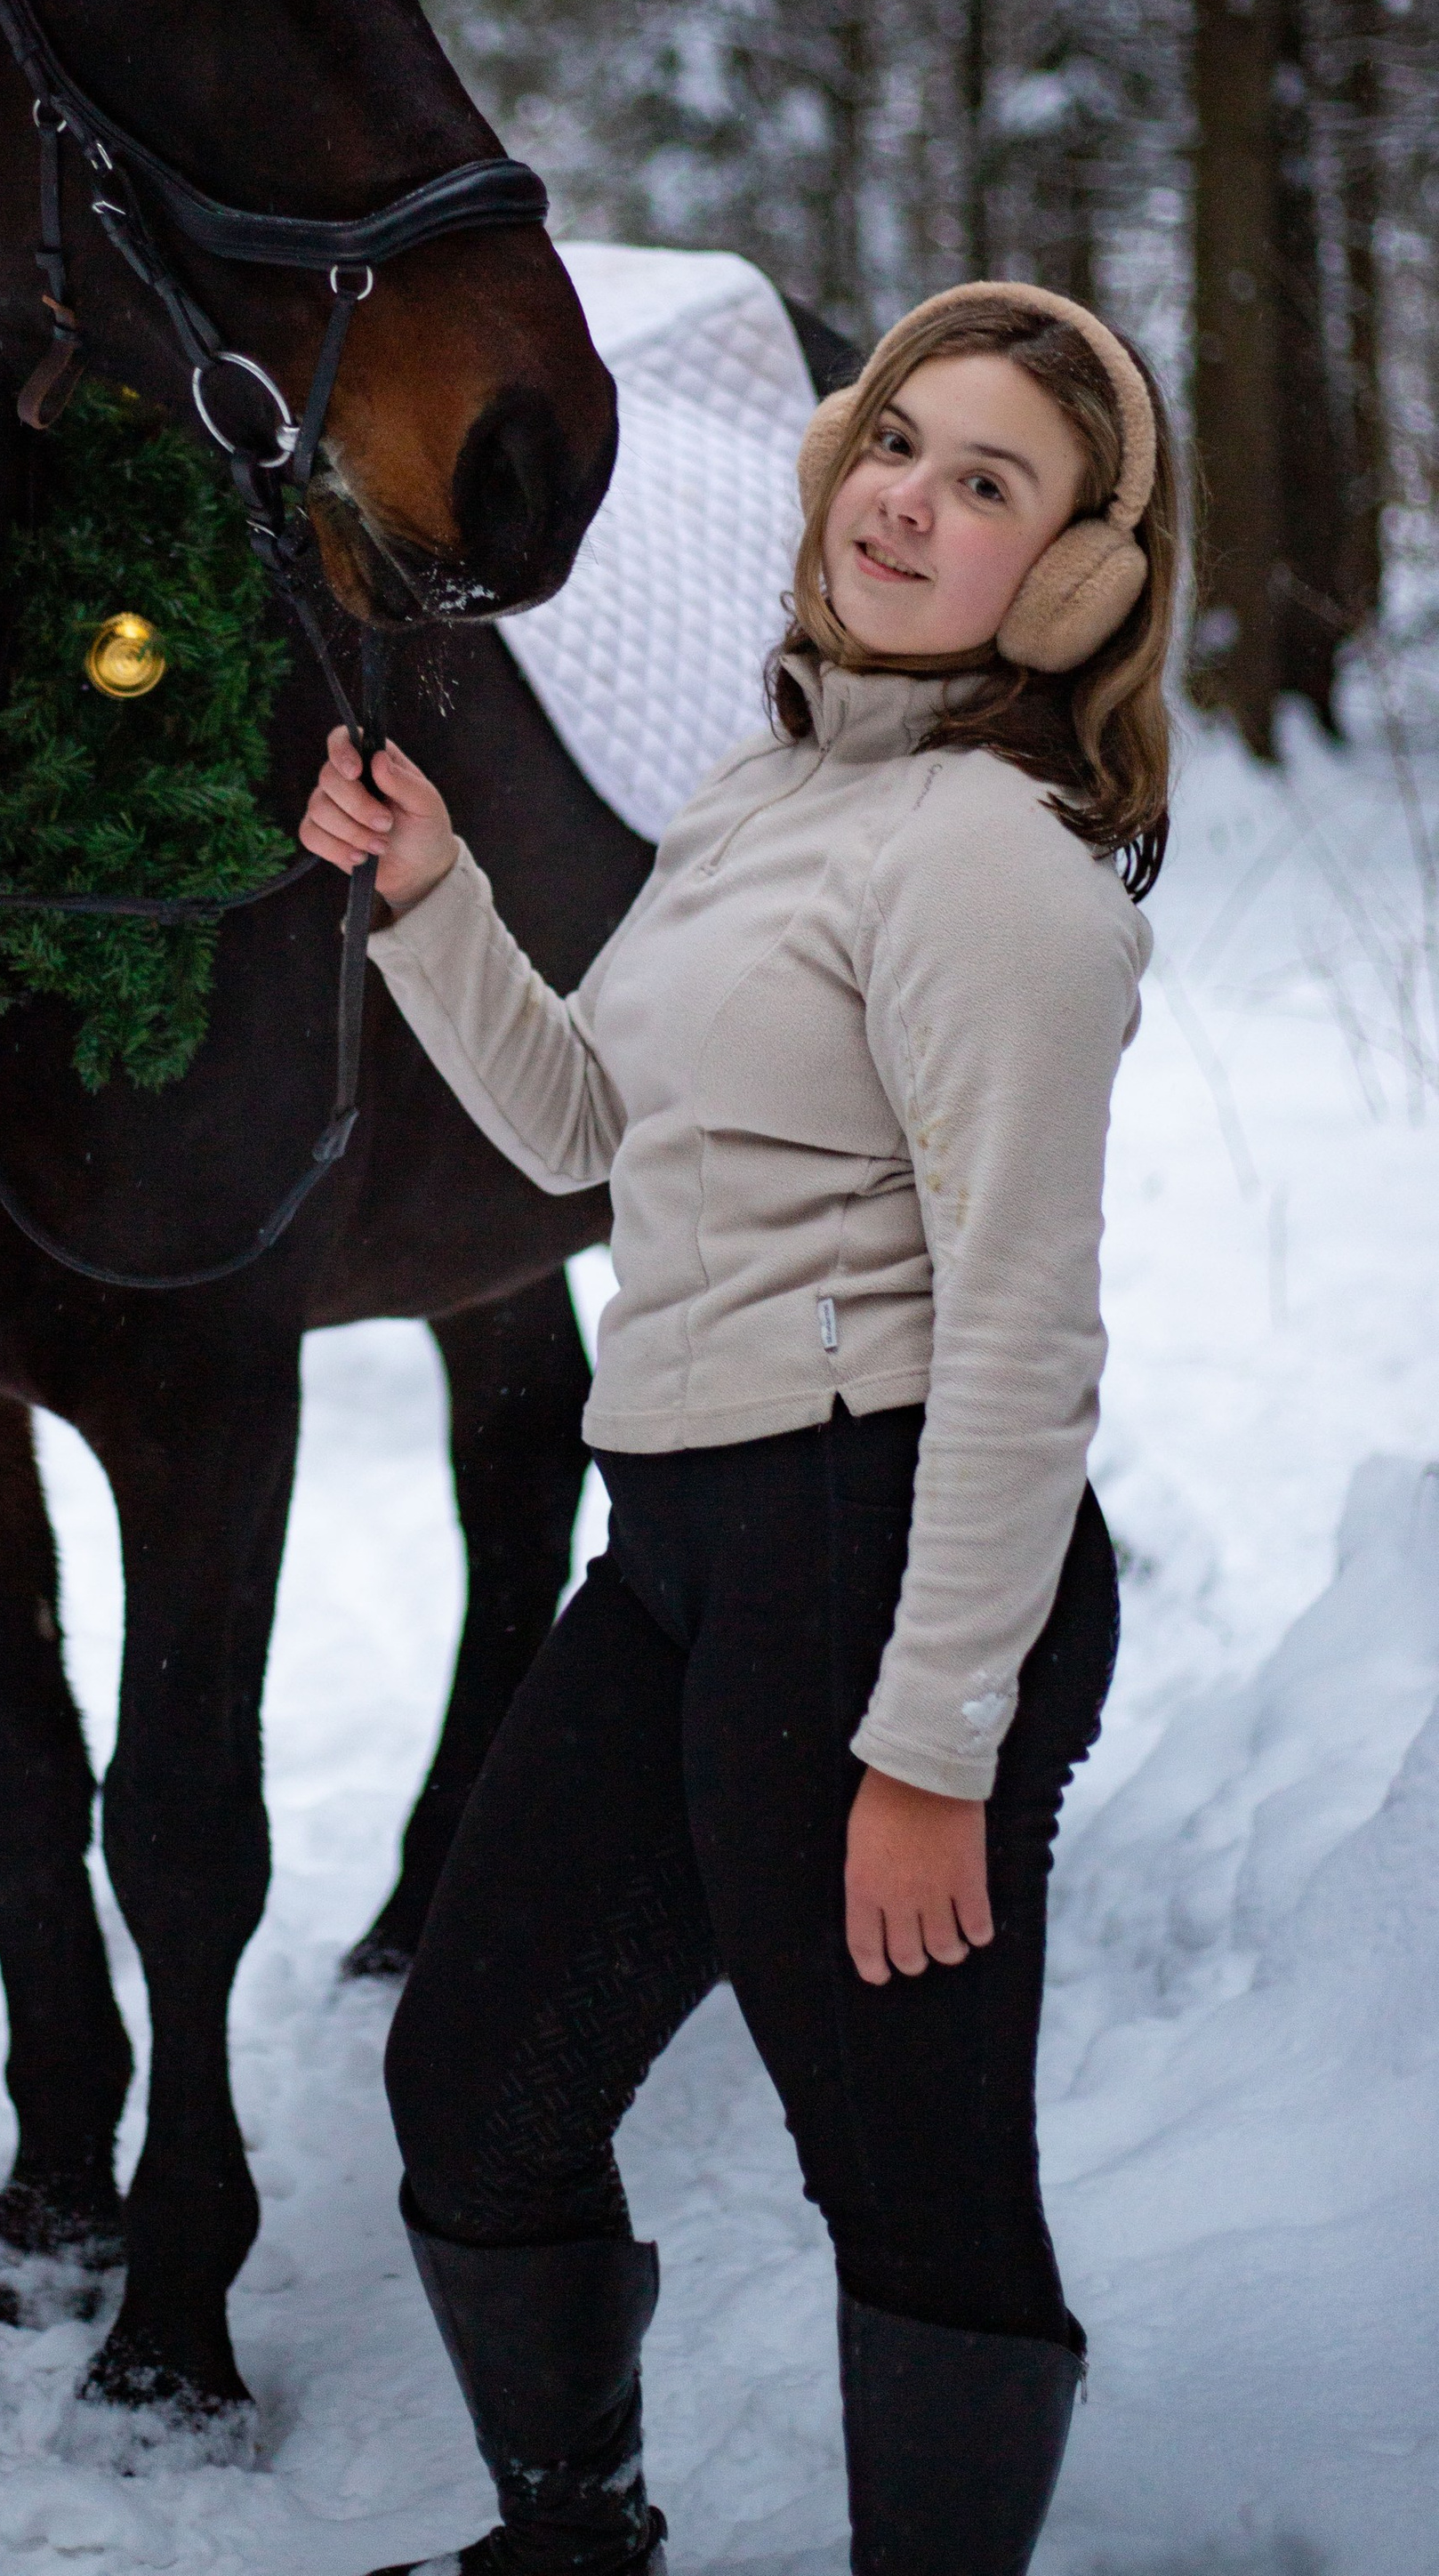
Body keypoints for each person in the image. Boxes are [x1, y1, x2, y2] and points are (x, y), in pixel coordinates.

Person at [300, 283, 1180, 2576]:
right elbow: (600, 1128)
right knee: (479, 2080)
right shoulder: (776, 787)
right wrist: (427, 897)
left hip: (881, 1548)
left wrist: (933, 1743)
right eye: (901, 442)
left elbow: (1020, 1327)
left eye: (992, 484)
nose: (912, 497)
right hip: (690, 1541)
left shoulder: (992, 859)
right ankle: (568, 2540)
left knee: (913, 2182)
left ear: (1067, 582)